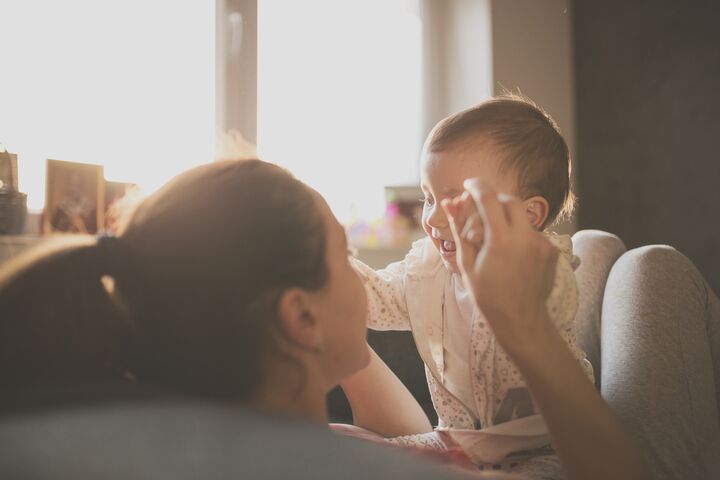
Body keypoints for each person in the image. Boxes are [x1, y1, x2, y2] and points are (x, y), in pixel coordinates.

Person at [0, 156, 669, 479]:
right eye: (343, 255)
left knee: (598, 250)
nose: (362, 275)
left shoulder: (296, 434)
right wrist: (521, 324)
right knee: (653, 270)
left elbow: (419, 437)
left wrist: (324, 334)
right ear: (299, 318)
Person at [350, 95, 592, 476]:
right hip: (461, 442)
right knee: (366, 454)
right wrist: (324, 258)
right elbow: (375, 300)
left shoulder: (542, 265)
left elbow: (556, 302)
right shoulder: (427, 270)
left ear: (529, 215)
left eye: (457, 201)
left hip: (548, 447)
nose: (434, 218)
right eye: (429, 198)